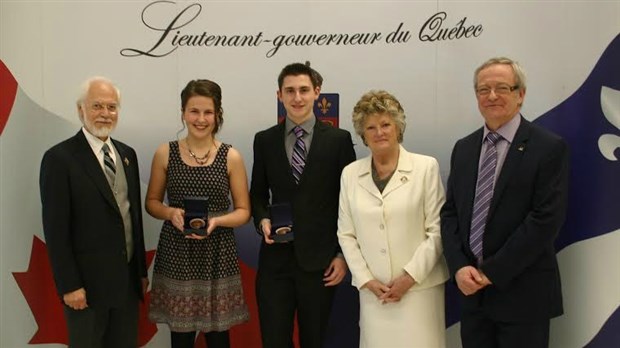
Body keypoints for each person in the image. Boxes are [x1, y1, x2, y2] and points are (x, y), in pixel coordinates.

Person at [440, 57, 569, 348]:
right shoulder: (464, 148)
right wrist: (460, 267)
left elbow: (545, 221)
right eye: (483, 89)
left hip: (523, 294)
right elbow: (450, 215)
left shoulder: (548, 148)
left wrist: (491, 272)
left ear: (520, 94)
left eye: (502, 88)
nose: (492, 96)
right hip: (473, 296)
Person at [250, 62, 356, 348]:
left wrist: (341, 255)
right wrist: (262, 221)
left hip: (321, 264)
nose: (297, 97)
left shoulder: (339, 140)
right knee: (274, 340)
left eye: (304, 90)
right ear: (279, 95)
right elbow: (257, 194)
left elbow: (349, 204)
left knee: (315, 340)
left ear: (316, 93)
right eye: (290, 91)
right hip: (275, 264)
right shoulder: (264, 140)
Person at [39, 76, 148, 348]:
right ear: (81, 110)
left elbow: (133, 219)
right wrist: (69, 285)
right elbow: (55, 229)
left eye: (112, 107)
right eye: (97, 106)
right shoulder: (59, 159)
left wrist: (140, 273)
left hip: (126, 287)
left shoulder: (127, 155)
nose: (105, 114)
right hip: (84, 291)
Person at [337, 90, 448, 348]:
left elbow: (437, 230)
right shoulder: (350, 174)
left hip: (419, 290)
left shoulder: (425, 168)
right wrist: (366, 279)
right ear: (362, 135)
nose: (380, 132)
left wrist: (408, 278)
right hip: (375, 293)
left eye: (386, 124)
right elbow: (346, 233)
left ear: (398, 127)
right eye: (371, 127)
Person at [146, 79, 250, 348]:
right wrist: (171, 213)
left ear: (217, 115)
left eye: (208, 112)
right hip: (177, 253)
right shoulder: (165, 153)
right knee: (180, 339)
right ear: (183, 112)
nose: (201, 119)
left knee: (218, 339)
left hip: (217, 254)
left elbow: (243, 212)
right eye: (194, 111)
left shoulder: (231, 156)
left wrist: (217, 221)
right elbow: (152, 203)